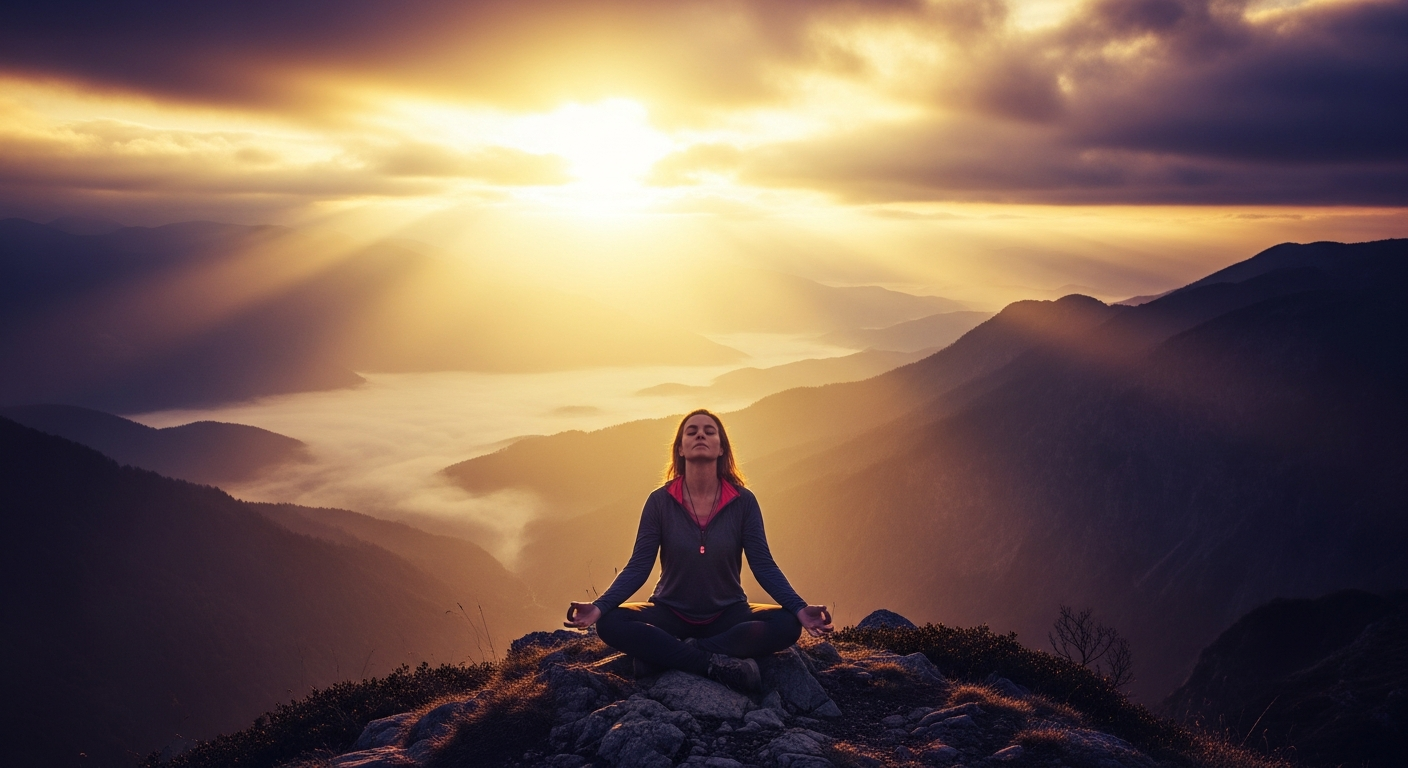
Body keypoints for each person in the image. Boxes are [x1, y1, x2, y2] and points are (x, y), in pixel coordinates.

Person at [564, 408, 832, 692]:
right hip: (669, 612)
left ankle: (667, 656)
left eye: (709, 431)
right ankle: (708, 663)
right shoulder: (659, 501)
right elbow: (639, 566)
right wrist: (600, 607)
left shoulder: (743, 502)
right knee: (611, 623)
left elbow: (763, 565)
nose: (700, 434)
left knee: (787, 624)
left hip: (728, 614)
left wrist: (799, 608)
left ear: (721, 448)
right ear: (680, 448)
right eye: (691, 432)